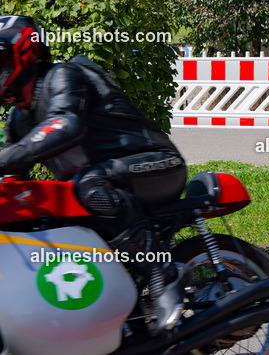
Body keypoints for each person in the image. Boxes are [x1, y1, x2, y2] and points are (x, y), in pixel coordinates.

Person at [0, 16, 188, 330]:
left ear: (23, 53)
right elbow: (14, 181)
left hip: (156, 166)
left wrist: (9, 156)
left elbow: (66, 124)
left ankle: (163, 275)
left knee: (90, 184)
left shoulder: (63, 76)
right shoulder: (19, 119)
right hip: (105, 185)